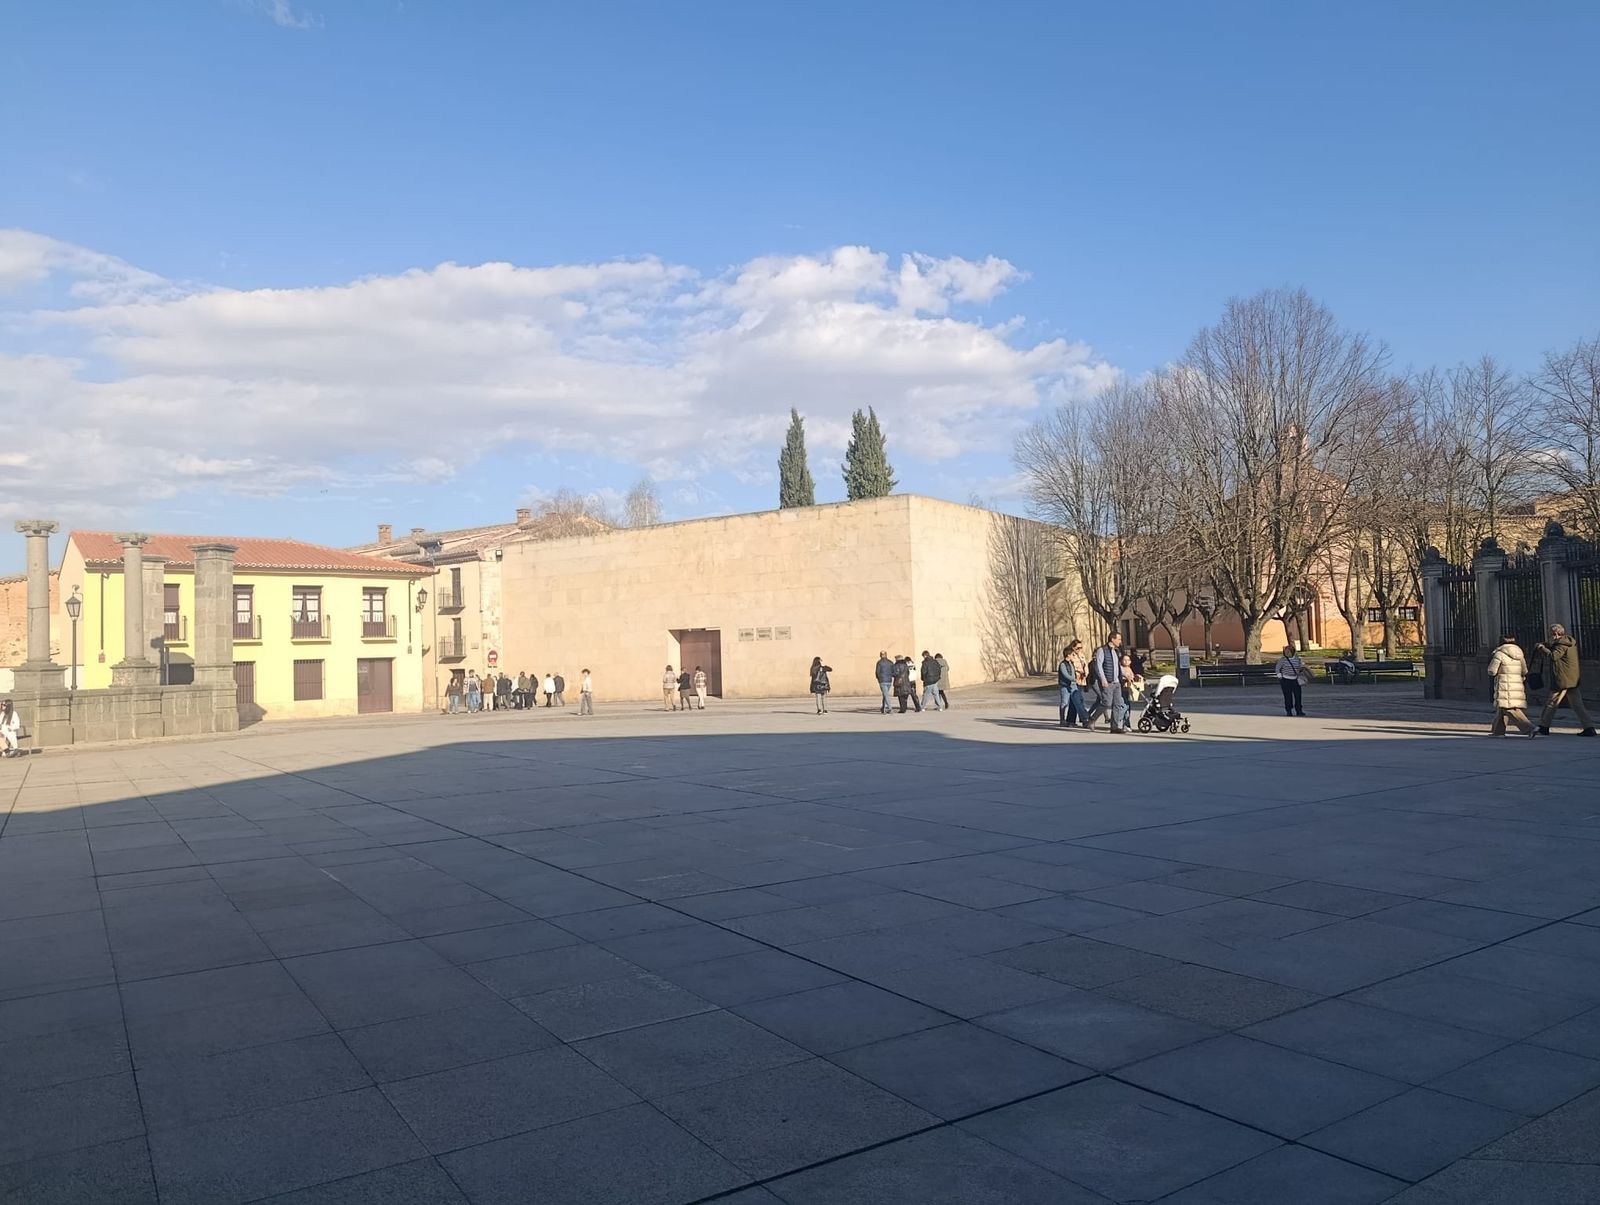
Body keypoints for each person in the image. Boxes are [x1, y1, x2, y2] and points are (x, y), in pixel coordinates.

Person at [1532, 623, 1596, 736]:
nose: (1550, 636)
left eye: (1551, 634)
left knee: (1552, 703)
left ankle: (1543, 726)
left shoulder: (1561, 645)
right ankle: (1589, 727)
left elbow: (1553, 656)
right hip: (1572, 679)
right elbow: (1557, 652)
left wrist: (1542, 648)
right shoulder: (1568, 643)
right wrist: (1548, 646)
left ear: (1556, 634)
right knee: (1577, 705)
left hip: (1563, 679)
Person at [1487, 633, 1537, 738]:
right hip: (1517, 684)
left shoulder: (1499, 654)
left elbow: (1492, 671)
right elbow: (1524, 670)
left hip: (1504, 685)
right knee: (1502, 708)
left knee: (1510, 708)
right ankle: (1498, 732)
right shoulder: (1520, 653)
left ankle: (1530, 728)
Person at [1087, 633, 1127, 733]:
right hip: (1107, 682)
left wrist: (1126, 675)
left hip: (1116, 682)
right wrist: (1103, 679)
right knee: (1106, 702)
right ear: (1112, 639)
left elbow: (1118, 666)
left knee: (1117, 704)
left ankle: (1114, 726)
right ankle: (1092, 719)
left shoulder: (1116, 651)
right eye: (1119, 639)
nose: (1120, 641)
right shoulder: (1102, 650)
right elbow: (1098, 666)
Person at [1275, 646, 1308, 717]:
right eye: (1285, 652)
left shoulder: (1297, 659)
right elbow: (1278, 668)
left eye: (1288, 652)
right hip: (1285, 680)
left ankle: (1299, 710)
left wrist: (1301, 669)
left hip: (1295, 680)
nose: (1286, 653)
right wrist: (1279, 675)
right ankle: (1289, 710)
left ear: (1292, 652)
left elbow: (1300, 668)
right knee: (1288, 697)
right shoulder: (1283, 660)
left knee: (1298, 696)